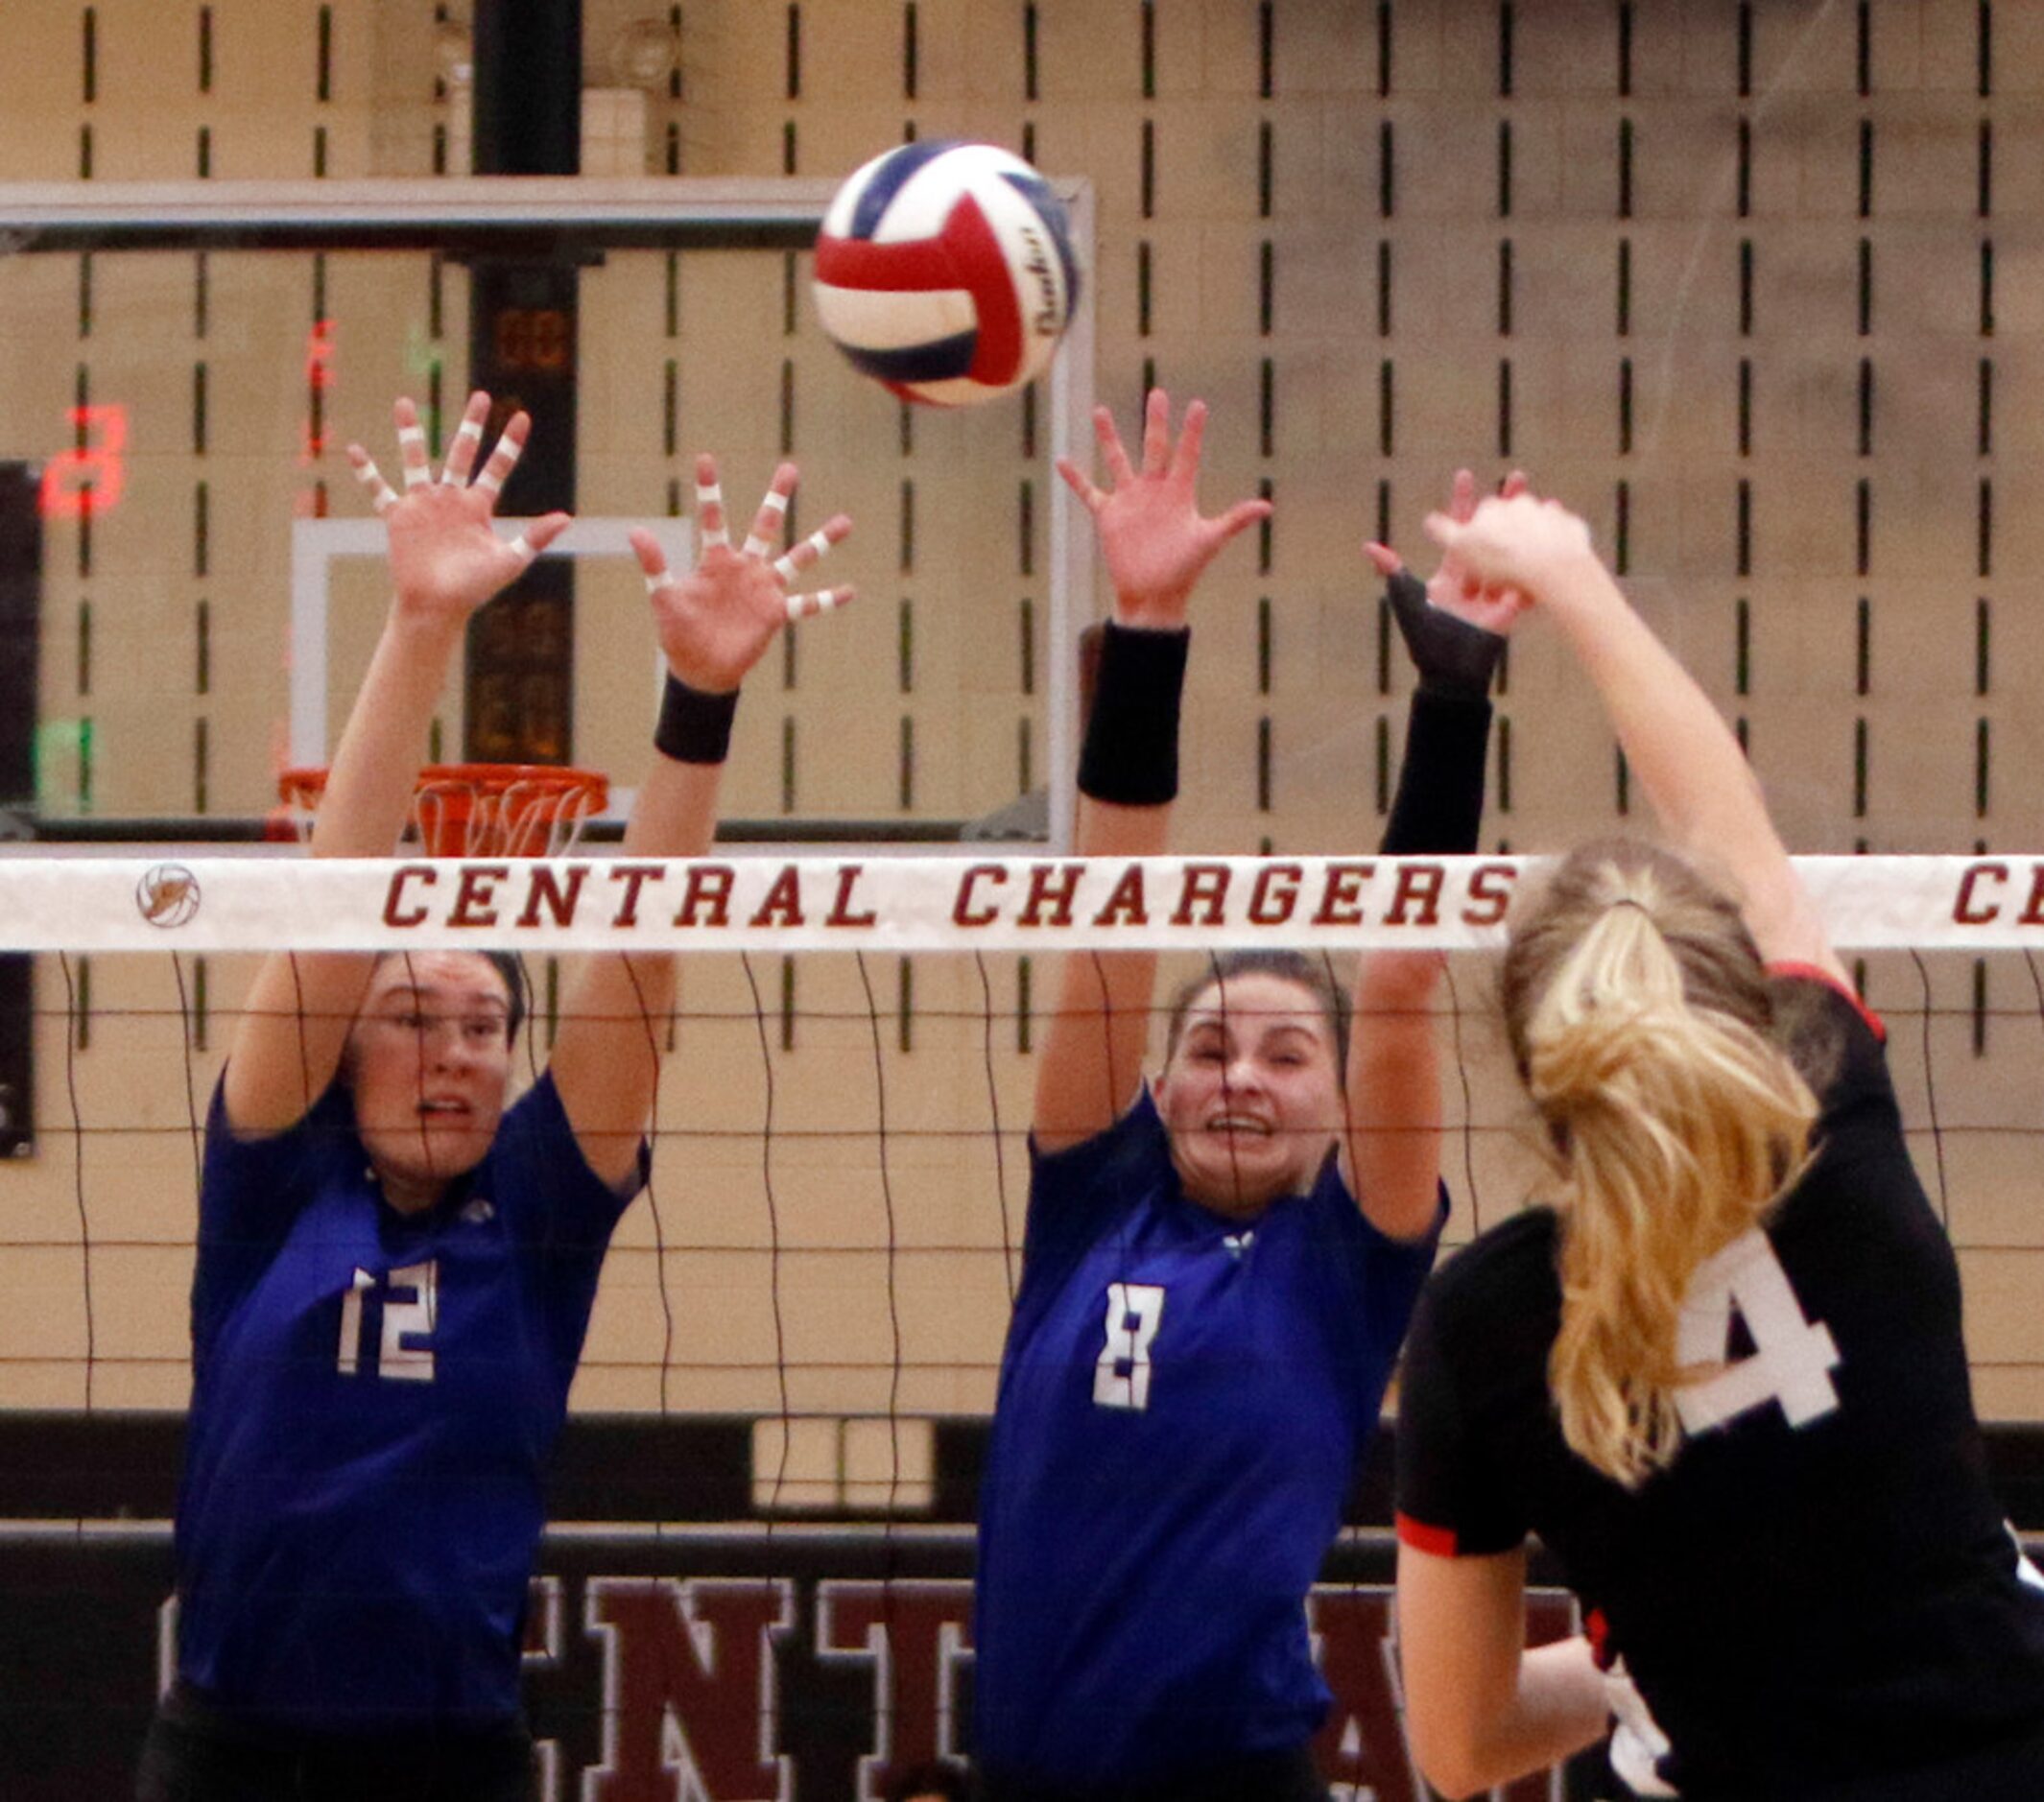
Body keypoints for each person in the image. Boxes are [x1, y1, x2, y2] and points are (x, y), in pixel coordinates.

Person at [136, 391, 852, 1801]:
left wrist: (697, 698)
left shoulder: (534, 1217)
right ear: (346, 1045)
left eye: (486, 1024)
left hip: (448, 1760)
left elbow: (645, 951)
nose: (457, 1048)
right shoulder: (278, 1177)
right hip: (230, 1752)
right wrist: (420, 624)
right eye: (412, 1017)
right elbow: (336, 903)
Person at [1391, 488, 2044, 1801]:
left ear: (1530, 1060)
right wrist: (1570, 578)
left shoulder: (1477, 1324)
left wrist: (1631, 1654)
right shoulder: (1826, 1124)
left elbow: (1457, 1752)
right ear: (1747, 1006)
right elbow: (1735, 839)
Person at [970, 391, 1517, 1802]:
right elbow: (1106, 917)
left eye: (1285, 1056)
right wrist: (1145, 632)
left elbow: (1396, 979)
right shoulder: (1092, 1198)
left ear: (1336, 1105)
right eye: (1211, 1046)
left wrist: (1453, 702)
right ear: (1154, 1084)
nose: (1240, 1078)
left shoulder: (1347, 1256)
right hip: (1023, 1774)